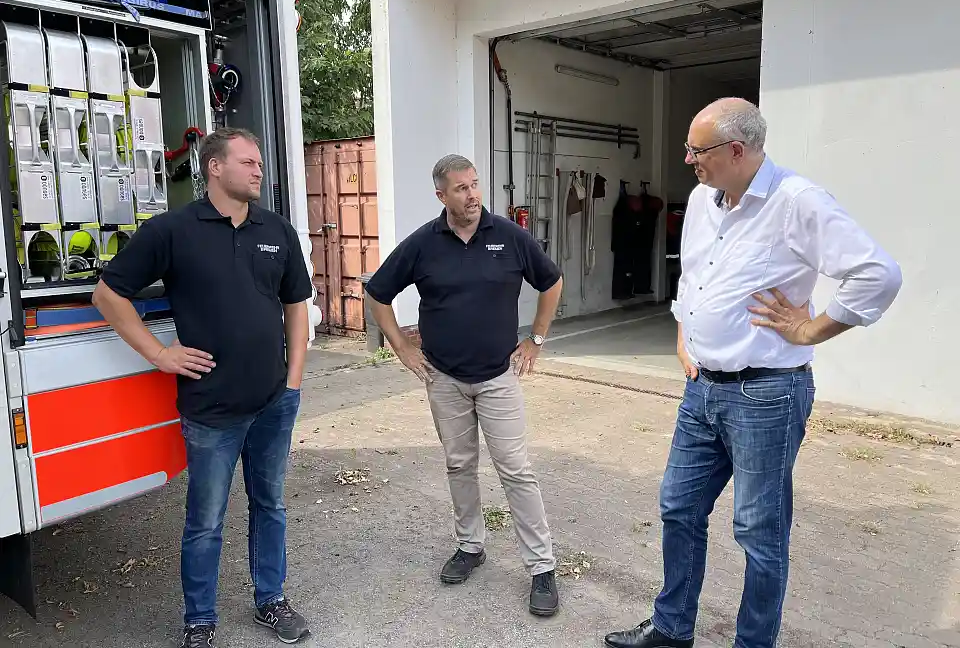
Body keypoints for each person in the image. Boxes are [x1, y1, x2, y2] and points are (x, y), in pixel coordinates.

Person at [604, 99, 902, 648]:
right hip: (702, 391)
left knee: (758, 532)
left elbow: (879, 275)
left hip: (767, 394)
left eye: (697, 150)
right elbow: (692, 276)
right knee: (678, 507)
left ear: (735, 150)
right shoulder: (701, 199)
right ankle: (672, 629)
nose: (689, 159)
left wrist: (812, 330)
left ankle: (753, 642)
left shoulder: (797, 202)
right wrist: (683, 334)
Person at [92, 127, 315, 647]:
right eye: (249, 161)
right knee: (206, 520)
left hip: (272, 402)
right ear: (215, 167)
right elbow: (109, 295)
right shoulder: (173, 230)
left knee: (270, 506)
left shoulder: (275, 230)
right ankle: (199, 620)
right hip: (211, 410)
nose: (260, 170)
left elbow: (296, 305)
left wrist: (295, 379)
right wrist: (159, 354)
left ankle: (270, 600)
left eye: (260, 162)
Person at [364, 154, 564, 617]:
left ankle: (541, 568)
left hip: (498, 377)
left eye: (475, 185)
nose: (473, 195)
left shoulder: (509, 237)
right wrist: (402, 348)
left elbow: (551, 282)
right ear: (442, 195)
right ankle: (470, 547)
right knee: (460, 466)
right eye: (461, 188)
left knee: (516, 470)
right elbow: (377, 293)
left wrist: (535, 338)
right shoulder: (423, 244)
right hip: (444, 378)